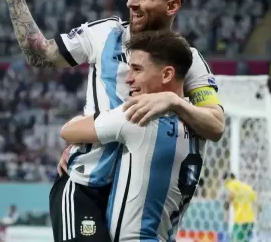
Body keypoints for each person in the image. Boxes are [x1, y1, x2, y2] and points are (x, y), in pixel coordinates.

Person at [1, 0, 225, 242]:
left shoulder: (187, 59)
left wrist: (175, 101)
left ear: (172, 6)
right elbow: (41, 55)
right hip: (87, 185)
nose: (131, 2)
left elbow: (215, 125)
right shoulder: (104, 33)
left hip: (137, 196)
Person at [60, 30, 206, 241]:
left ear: (166, 75)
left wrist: (77, 145)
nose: (128, 79)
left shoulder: (138, 116)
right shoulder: (198, 122)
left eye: (137, 70)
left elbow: (68, 131)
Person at [222, 173, 260, 242]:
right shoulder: (247, 187)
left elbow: (231, 193)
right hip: (250, 220)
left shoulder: (232, 183)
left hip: (240, 219)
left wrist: (227, 203)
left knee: (234, 240)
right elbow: (259, 205)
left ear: (227, 180)